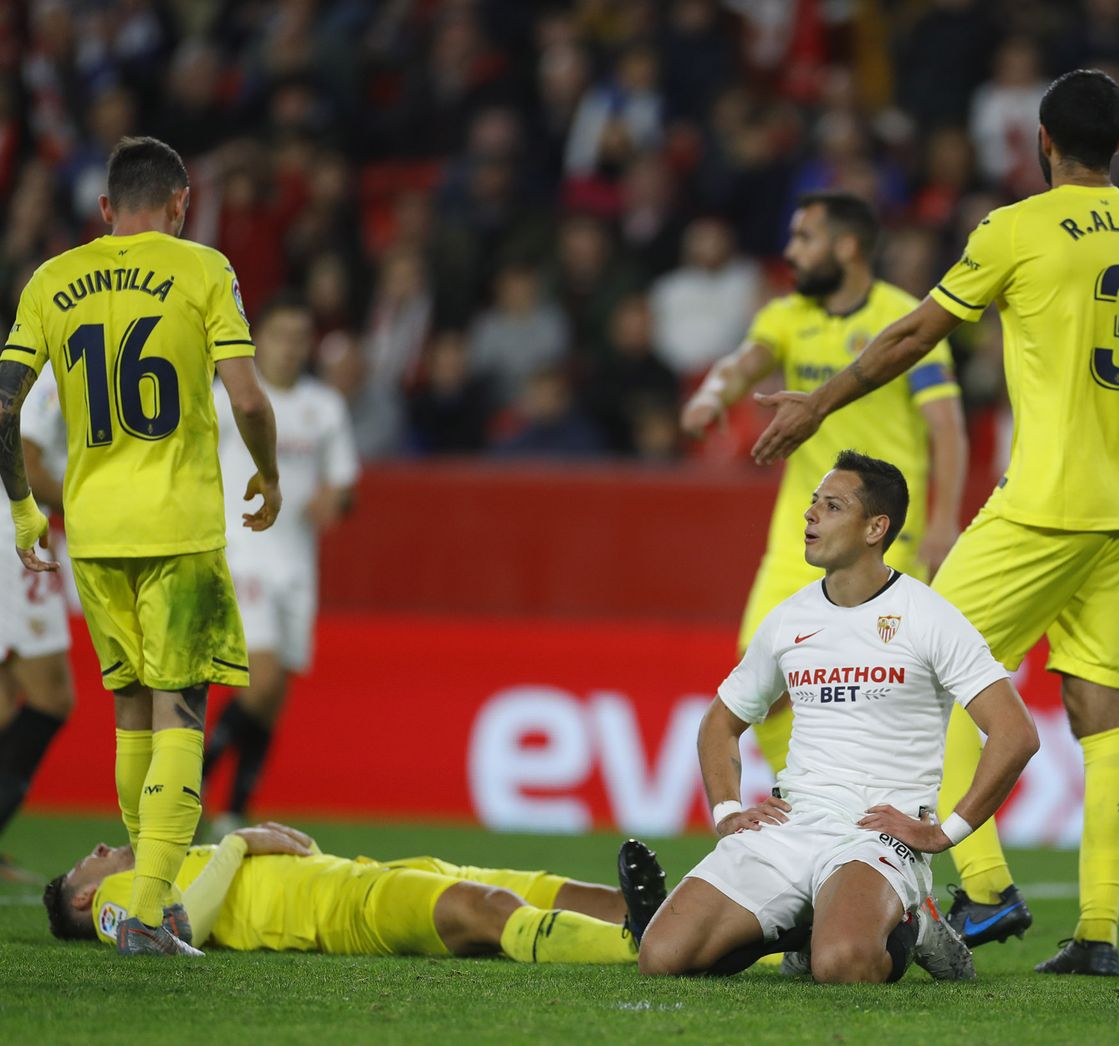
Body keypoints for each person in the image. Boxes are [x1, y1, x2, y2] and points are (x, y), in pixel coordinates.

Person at [753, 70, 1119, 977]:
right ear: (1118, 144)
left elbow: (917, 335)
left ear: (1042, 141)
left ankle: (988, 891)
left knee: (930, 666)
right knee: (1099, 707)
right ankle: (1099, 936)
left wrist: (822, 402)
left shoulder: (1016, 229)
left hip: (1045, 501)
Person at [0, 135, 282, 957]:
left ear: (104, 209)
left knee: (130, 711)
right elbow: (250, 400)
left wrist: (22, 508)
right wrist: (269, 473)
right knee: (180, 707)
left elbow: (4, 401)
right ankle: (153, 906)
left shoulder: (52, 280)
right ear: (180, 203)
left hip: (92, 532)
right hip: (177, 529)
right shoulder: (203, 270)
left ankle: (139, 891)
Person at [638, 451, 1039, 984]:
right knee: (662, 956)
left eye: (832, 506)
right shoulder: (788, 619)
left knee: (843, 964)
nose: (811, 516)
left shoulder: (929, 616)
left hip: (878, 833)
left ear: (876, 527)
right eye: (812, 504)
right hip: (794, 821)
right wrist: (727, 811)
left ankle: (914, 923)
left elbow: (1015, 734)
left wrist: (944, 833)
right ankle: (799, 925)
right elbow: (720, 723)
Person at [681, 191, 968, 779]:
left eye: (804, 239)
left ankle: (883, 820)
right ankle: (810, 799)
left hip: (881, 538)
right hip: (799, 539)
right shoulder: (787, 317)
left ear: (846, 246)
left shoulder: (905, 320)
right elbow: (743, 362)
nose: (790, 253)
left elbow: (947, 427)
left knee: (881, 695)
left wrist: (943, 522)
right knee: (755, 680)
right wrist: (714, 395)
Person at [43, 822, 669, 966]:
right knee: (487, 908)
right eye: (84, 865)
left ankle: (733, 938)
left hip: (367, 870)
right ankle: (637, 948)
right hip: (343, 910)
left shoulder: (172, 860)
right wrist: (236, 845)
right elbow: (175, 933)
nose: (98, 851)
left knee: (558, 889)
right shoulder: (116, 901)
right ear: (83, 901)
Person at [203, 294, 360, 832]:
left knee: (274, 698)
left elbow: (344, 483)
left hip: (298, 565)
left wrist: (334, 501)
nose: (290, 348)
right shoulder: (226, 399)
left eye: (299, 337)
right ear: (256, 340)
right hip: (241, 556)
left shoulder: (324, 407)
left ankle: (236, 812)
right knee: (261, 681)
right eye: (279, 335)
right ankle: (191, 788)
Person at [0, 362, 75, 881]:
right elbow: (26, 456)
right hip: (15, 530)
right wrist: (96, 504)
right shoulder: (52, 372)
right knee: (51, 694)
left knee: (6, 699)